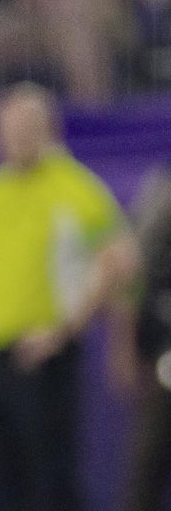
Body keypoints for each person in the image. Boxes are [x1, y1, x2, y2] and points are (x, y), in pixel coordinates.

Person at [0, 81, 136, 511]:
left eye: (23, 128)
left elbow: (119, 261)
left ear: (47, 129)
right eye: (4, 129)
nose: (12, 139)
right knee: (1, 480)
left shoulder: (76, 188)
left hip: (46, 359)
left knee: (53, 483)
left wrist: (63, 330)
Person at [110, 164, 171, 511]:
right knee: (145, 477)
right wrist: (123, 349)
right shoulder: (159, 194)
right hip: (160, 364)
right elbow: (129, 275)